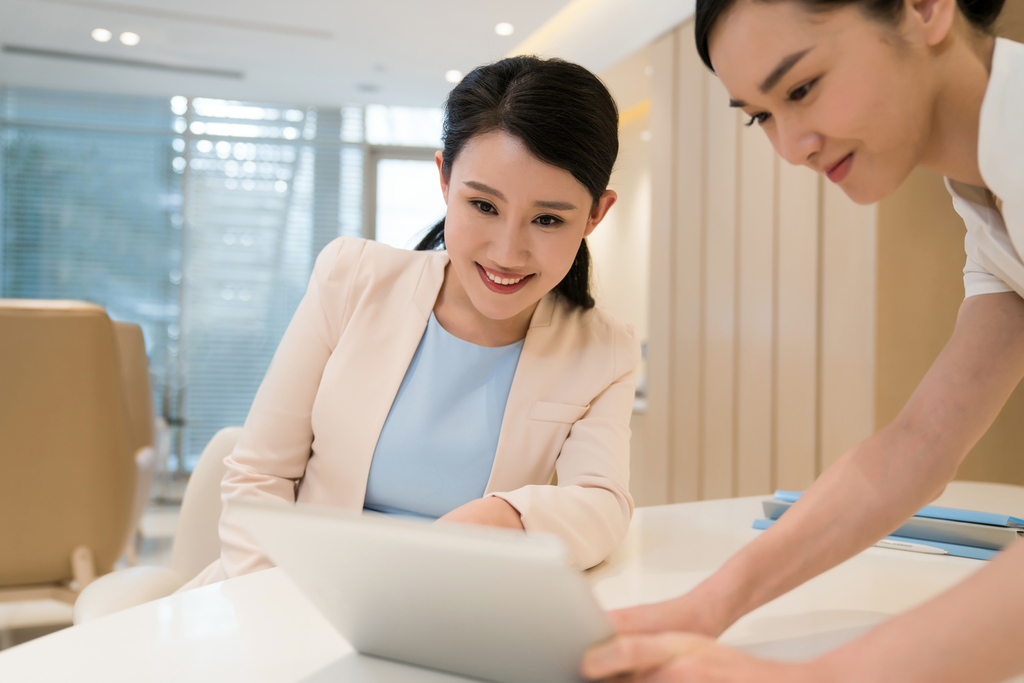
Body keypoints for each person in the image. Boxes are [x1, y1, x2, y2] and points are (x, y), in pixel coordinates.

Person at [580, 0, 1024, 679]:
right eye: (761, 115)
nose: (791, 148)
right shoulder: (992, 205)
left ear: (925, 9)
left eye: (801, 88)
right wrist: (705, 606)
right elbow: (919, 441)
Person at [182, 56, 640, 590]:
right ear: (445, 179)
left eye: (547, 219)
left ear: (594, 215)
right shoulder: (351, 277)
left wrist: (501, 518)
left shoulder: (603, 350)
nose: (507, 251)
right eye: (483, 205)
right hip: (284, 592)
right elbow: (260, 475)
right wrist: (272, 607)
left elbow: (603, 505)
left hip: (444, 611)